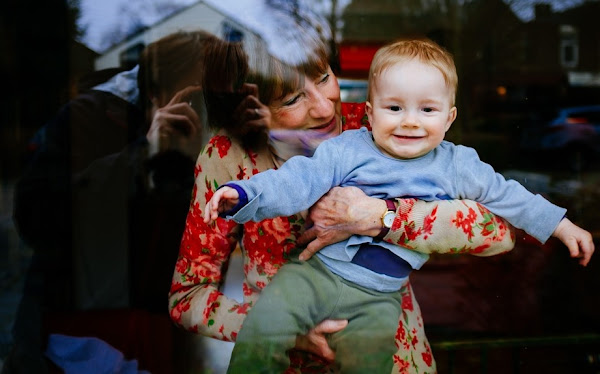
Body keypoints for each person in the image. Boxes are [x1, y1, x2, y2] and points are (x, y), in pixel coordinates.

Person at [204, 38, 595, 373]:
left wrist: (561, 225)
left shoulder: (458, 165)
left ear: (450, 118)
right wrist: (243, 195)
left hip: (379, 295)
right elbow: (296, 181)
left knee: (370, 360)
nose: (410, 121)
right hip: (314, 276)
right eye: (394, 109)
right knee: (264, 328)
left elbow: (508, 201)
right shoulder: (349, 146)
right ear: (371, 113)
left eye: (427, 110)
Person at [8, 30, 246, 374]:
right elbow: (35, 218)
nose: (208, 112)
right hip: (76, 337)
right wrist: (142, 157)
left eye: (219, 100)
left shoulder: (217, 139)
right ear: (154, 95)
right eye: (198, 98)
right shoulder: (91, 119)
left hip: (162, 336)